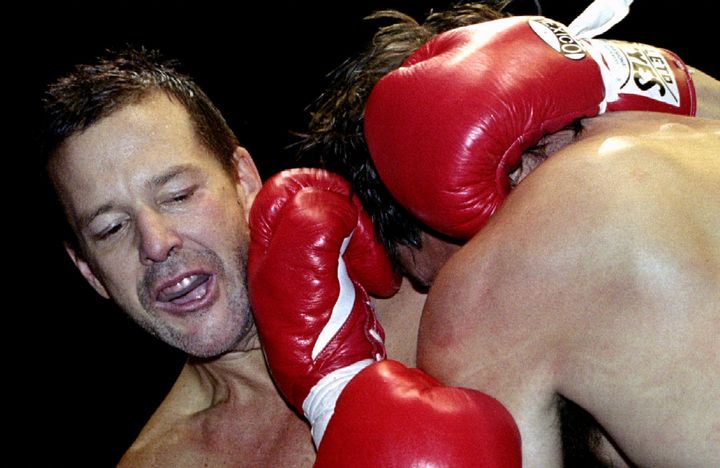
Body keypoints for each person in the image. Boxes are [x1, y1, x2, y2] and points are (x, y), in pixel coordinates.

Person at [40, 46, 521, 467]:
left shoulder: (428, 290)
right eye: (111, 228)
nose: (155, 241)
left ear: (244, 181)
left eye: (178, 194)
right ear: (90, 273)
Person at [294, 1, 719, 466]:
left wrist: (335, 393)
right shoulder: (688, 127)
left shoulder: (482, 289)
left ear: (417, 219)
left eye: (424, 281)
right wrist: (589, 65)